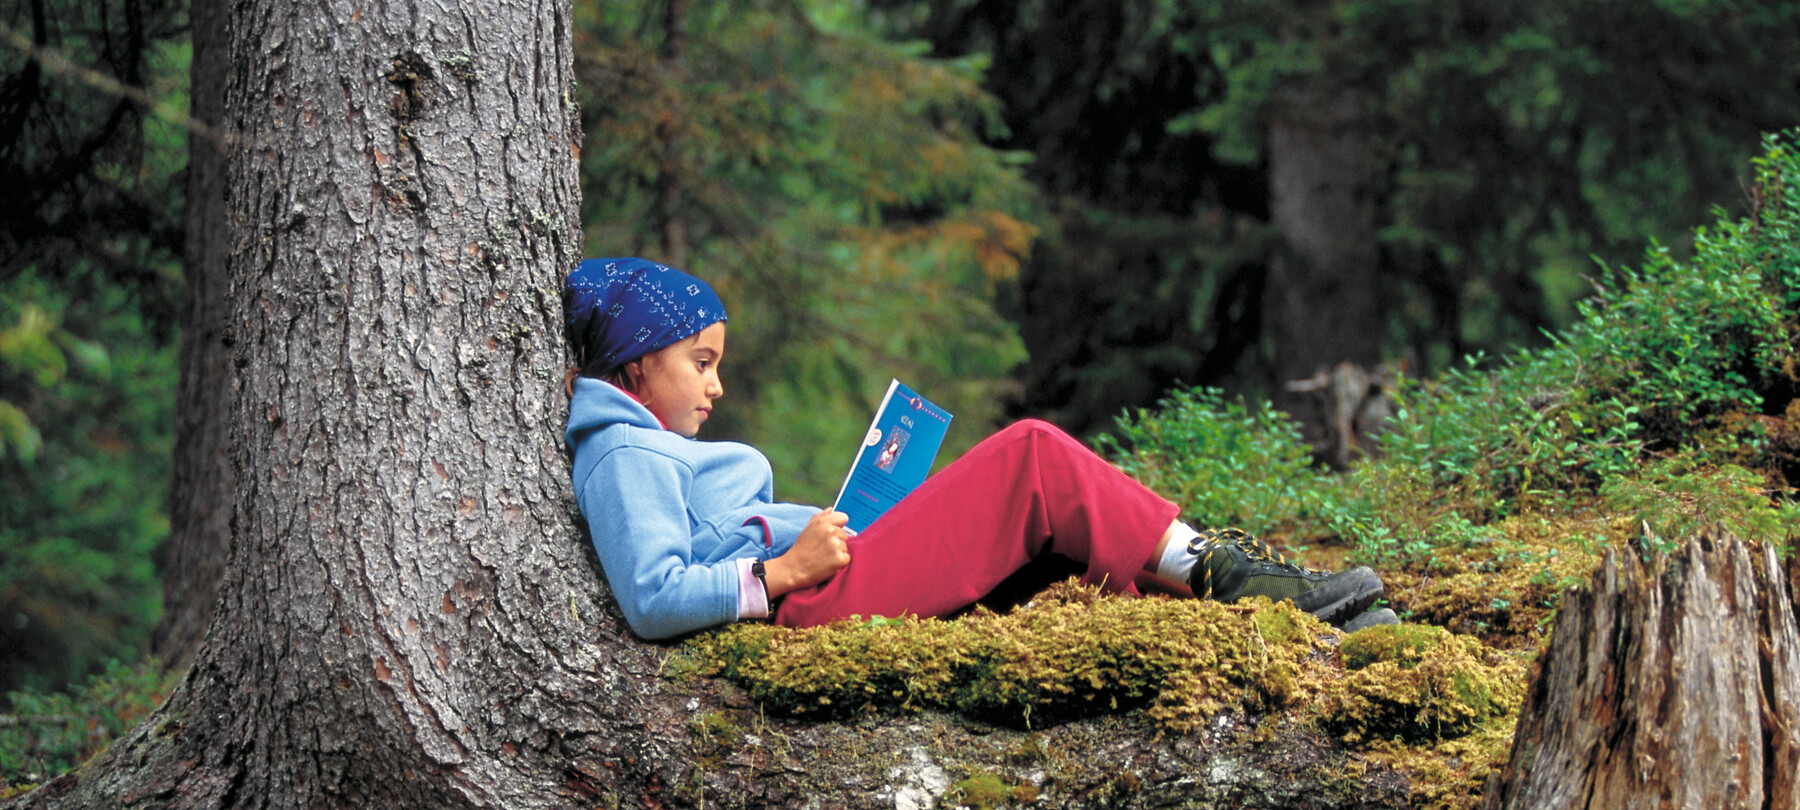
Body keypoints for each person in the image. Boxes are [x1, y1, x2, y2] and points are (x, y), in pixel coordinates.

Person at [564, 257, 1393, 640]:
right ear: (638, 361)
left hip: (815, 592)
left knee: (1054, 543)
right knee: (1031, 456)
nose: (714, 387)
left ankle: (1277, 617)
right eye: (699, 364)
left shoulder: (650, 447)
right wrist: (781, 572)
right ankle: (1244, 583)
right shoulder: (623, 453)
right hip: (800, 612)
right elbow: (651, 597)